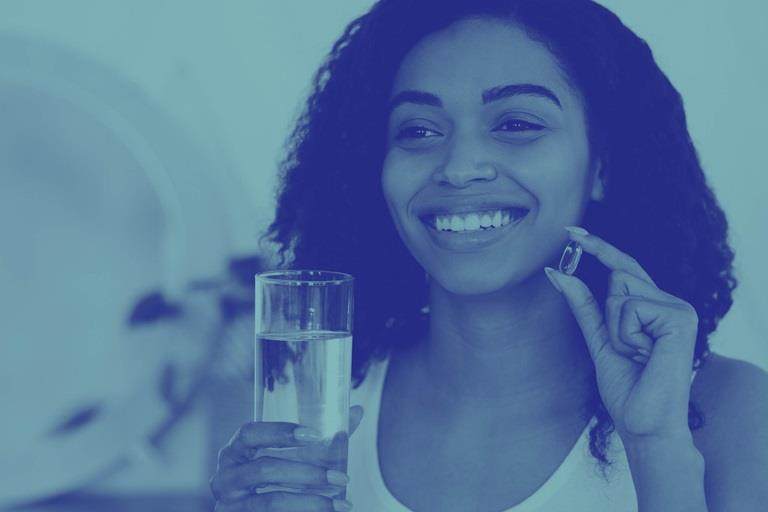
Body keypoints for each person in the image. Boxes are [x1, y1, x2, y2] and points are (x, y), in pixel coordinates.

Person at [209, 0, 768, 510]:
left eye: (517, 124)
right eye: (419, 130)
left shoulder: (729, 412)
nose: (458, 167)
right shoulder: (302, 410)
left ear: (603, 167)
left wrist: (656, 448)